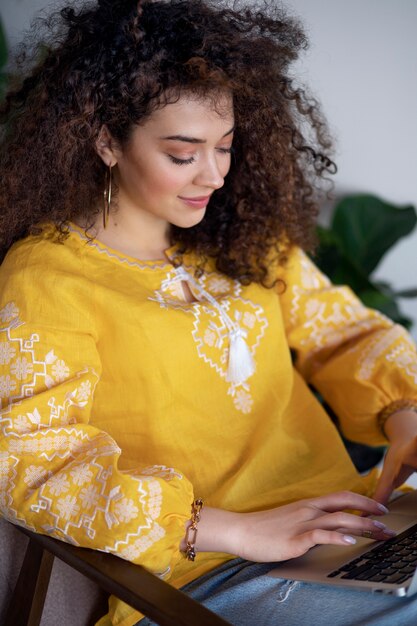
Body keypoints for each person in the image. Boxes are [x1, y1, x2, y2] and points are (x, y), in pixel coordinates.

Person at [0, 1, 417, 624]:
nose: (215, 175)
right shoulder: (47, 277)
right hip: (208, 574)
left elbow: (344, 331)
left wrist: (405, 408)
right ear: (107, 139)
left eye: (224, 147)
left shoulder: (243, 238)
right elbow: (32, 461)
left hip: (351, 526)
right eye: (183, 153)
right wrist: (239, 532)